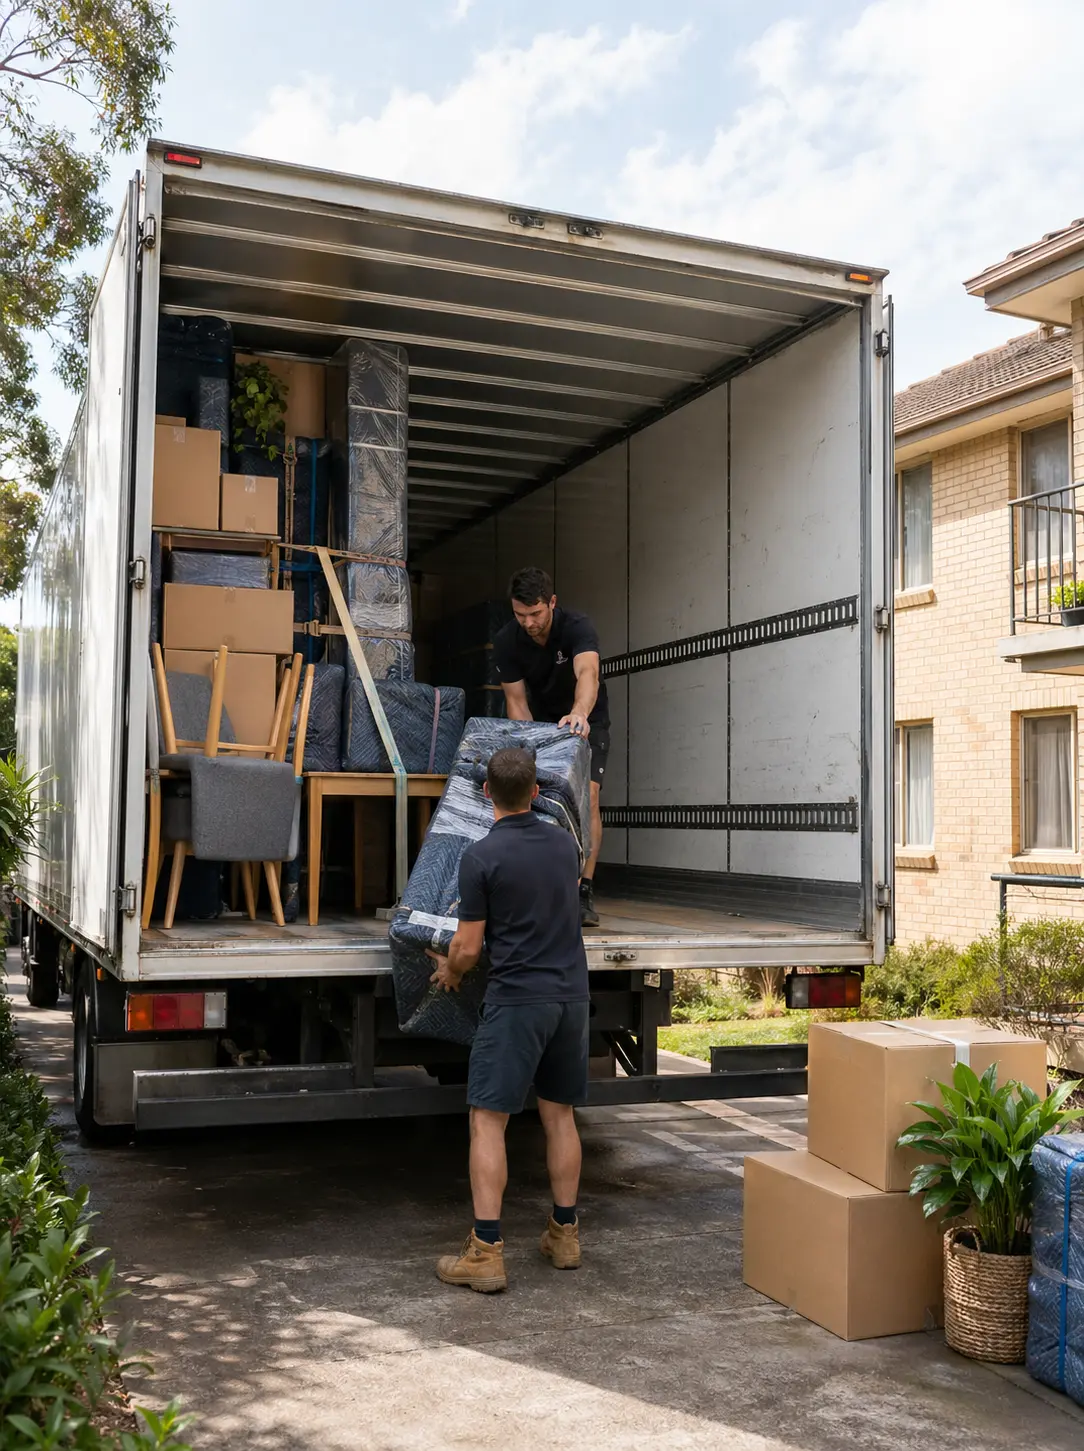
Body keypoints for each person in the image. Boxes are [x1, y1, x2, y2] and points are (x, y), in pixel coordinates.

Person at [429, 745, 589, 1294]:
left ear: (485, 794)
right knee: (559, 1115)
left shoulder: (480, 857)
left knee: (487, 1121)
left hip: (518, 1000)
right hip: (571, 997)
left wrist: (450, 969)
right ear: (538, 794)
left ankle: (486, 1251)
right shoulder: (566, 846)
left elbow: (469, 948)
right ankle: (564, 1235)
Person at [492, 566, 608, 927]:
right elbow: (516, 700)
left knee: (586, 795)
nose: (528, 622)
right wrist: (528, 746)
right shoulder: (507, 640)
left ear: (552, 603)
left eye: (536, 613)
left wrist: (579, 713)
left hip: (586, 716)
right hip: (541, 720)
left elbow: (587, 673)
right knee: (538, 796)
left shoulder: (577, 626)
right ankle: (545, 885)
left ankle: (583, 889)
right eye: (520, 614)